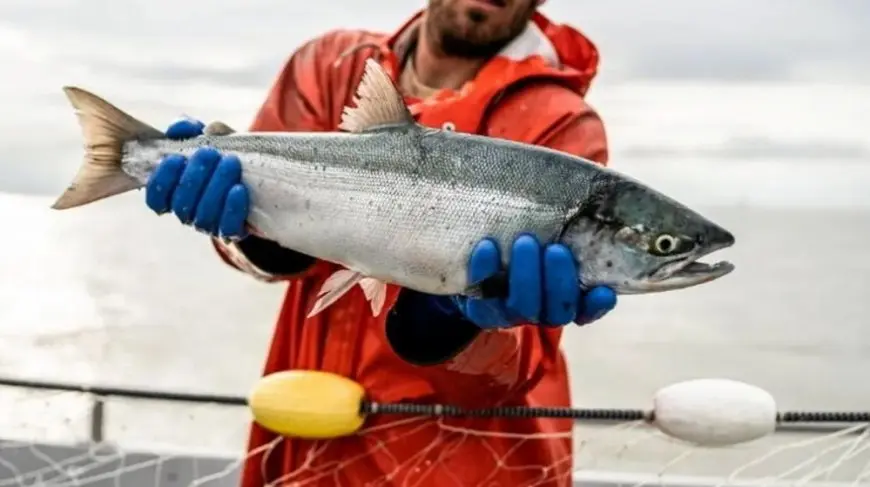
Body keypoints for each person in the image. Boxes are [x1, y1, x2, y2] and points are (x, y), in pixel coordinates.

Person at [147, 0, 617, 485]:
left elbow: (518, 365)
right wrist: (250, 233)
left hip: (464, 466)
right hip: (306, 437)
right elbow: (267, 242)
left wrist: (450, 322)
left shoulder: (561, 122)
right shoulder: (332, 64)